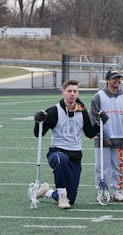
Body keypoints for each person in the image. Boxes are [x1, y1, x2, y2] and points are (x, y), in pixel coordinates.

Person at [32, 79, 101, 209]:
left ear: (78, 93)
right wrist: (38, 121)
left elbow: (90, 133)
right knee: (61, 159)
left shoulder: (82, 111)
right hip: (56, 153)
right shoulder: (54, 111)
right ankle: (61, 196)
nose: (72, 94)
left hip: (75, 157)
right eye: (69, 91)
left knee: (72, 200)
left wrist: (99, 123)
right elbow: (39, 134)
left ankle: (47, 192)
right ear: (63, 93)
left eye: (75, 91)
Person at [90, 69, 123, 202]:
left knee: (119, 166)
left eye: (119, 78)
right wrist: (104, 136)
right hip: (103, 140)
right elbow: (94, 120)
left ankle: (117, 191)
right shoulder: (98, 97)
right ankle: (102, 191)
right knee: (101, 167)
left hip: (120, 139)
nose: (117, 80)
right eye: (114, 78)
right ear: (107, 80)